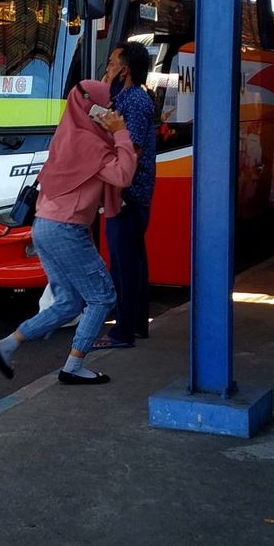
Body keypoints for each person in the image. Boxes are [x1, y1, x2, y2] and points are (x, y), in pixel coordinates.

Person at [0, 79, 137, 385]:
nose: (110, 110)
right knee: (102, 297)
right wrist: (120, 132)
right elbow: (123, 175)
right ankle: (74, 364)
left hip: (44, 226)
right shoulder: (92, 144)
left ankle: (7, 345)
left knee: (68, 302)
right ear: (91, 107)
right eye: (105, 105)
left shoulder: (68, 136)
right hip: (67, 229)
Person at [93, 41, 157, 349]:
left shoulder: (134, 102)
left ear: (125, 69)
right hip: (129, 192)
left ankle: (123, 332)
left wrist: (116, 192)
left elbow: (129, 151)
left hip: (128, 193)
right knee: (131, 261)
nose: (108, 68)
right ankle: (135, 325)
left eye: (112, 63)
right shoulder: (128, 99)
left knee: (123, 264)